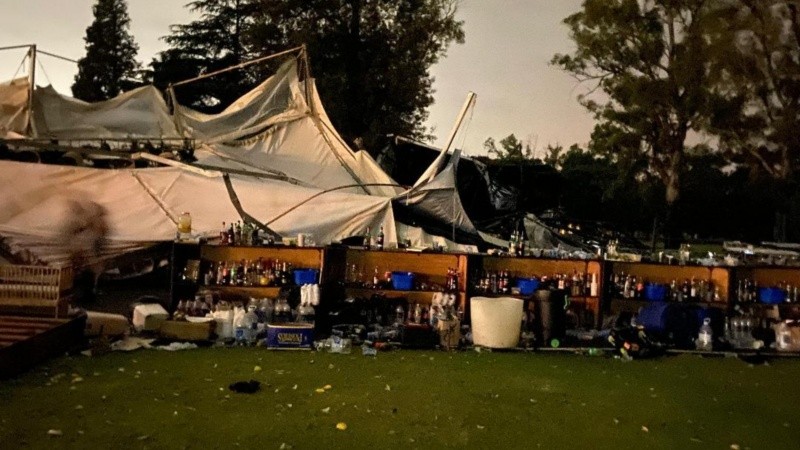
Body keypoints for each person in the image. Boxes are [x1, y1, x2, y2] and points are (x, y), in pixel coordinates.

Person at [58, 199, 109, 307]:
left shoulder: (92, 222)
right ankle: (84, 295)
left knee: (86, 274)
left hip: (86, 251)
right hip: (83, 251)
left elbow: (98, 236)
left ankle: (85, 295)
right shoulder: (82, 222)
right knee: (84, 274)